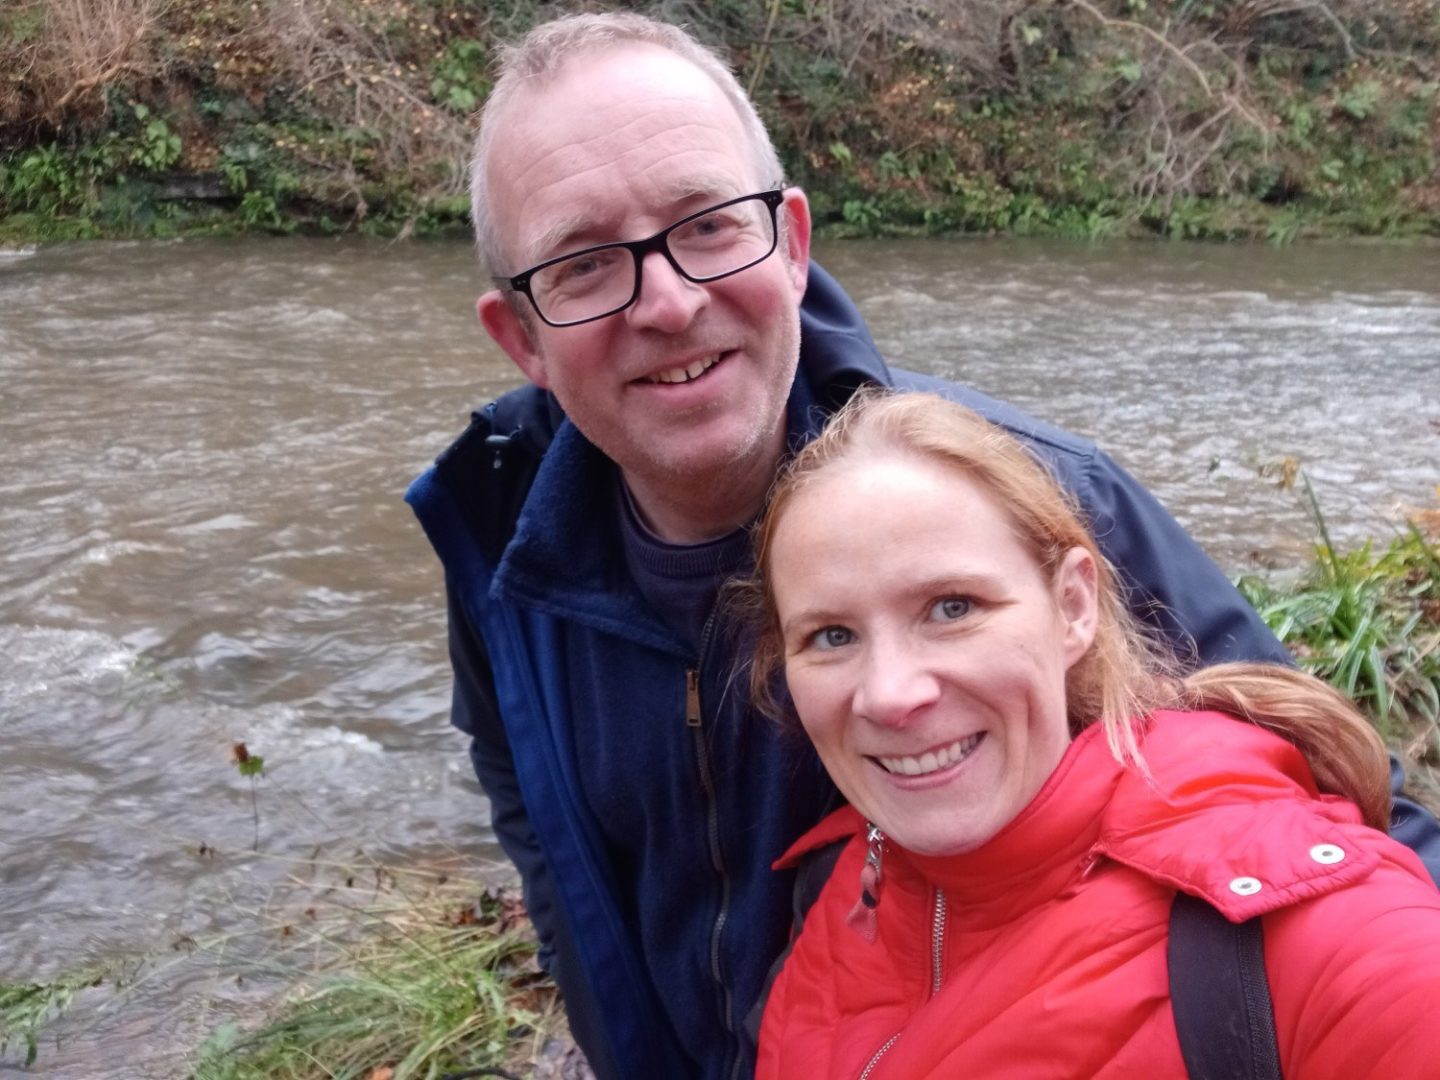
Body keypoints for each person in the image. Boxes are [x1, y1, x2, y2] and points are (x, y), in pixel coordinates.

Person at [404, 12, 1438, 1080]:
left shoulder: (1015, 495)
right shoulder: (495, 539)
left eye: (710, 224)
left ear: (795, 244)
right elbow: (545, 843)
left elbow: (1343, 827)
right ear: (519, 337)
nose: (668, 302)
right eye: (582, 265)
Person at [749, 390, 1440, 1079]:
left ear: (1073, 606)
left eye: (952, 607)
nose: (891, 695)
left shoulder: (1308, 938)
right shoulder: (837, 889)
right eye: (831, 635)